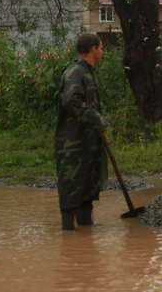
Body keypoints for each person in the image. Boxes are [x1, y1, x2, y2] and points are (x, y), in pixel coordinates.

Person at [55, 33, 109, 231]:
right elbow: (71, 100)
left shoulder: (86, 72)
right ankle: (68, 237)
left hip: (87, 142)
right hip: (73, 143)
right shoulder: (75, 72)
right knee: (71, 189)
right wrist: (96, 119)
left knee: (86, 189)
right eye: (101, 48)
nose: (102, 52)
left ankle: (86, 234)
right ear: (93, 49)